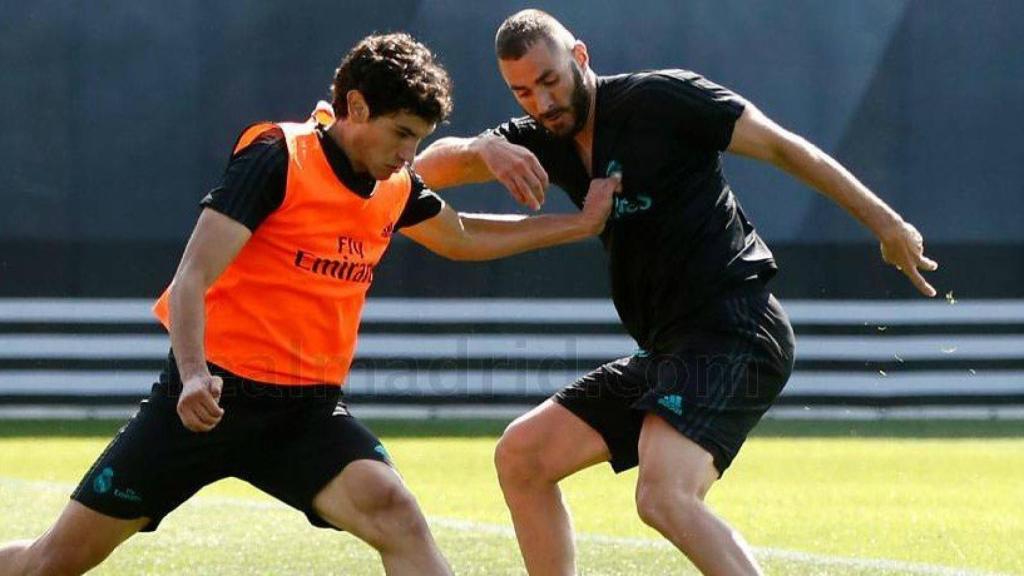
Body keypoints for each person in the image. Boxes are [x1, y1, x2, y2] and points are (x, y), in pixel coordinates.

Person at [0, 32, 616, 576]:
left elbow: (460, 236)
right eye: (402, 134)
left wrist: (579, 225)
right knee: (51, 563)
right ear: (357, 107)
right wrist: (192, 375)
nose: (410, 155)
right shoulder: (278, 157)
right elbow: (191, 277)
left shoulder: (393, 184)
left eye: (419, 140)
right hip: (206, 402)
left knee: (396, 513)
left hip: (305, 414)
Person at [413, 10, 939, 576]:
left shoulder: (661, 99)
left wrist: (885, 223)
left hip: (735, 326)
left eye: (550, 81)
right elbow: (423, 169)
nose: (542, 102)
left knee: (663, 495)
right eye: (522, 92)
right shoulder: (543, 138)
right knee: (522, 456)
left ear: (580, 58)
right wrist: (485, 146)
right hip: (668, 351)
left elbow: (783, 147)